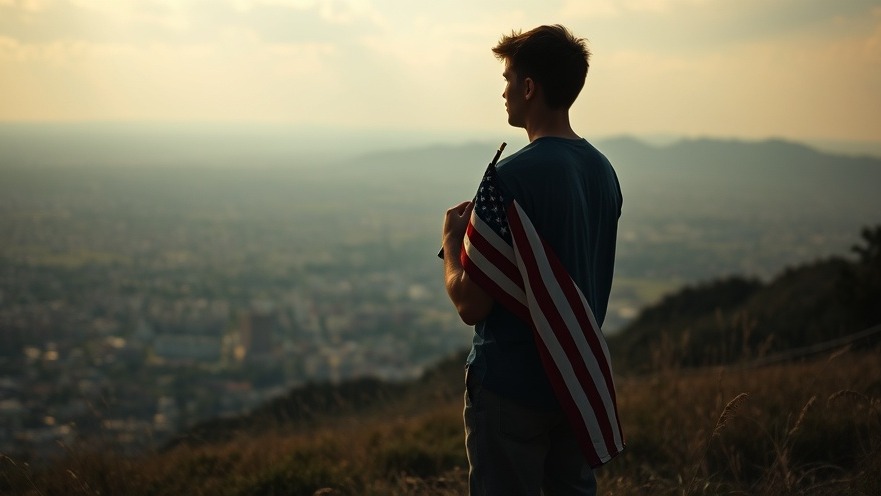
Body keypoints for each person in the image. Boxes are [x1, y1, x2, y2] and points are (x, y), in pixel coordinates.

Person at [441, 24, 624, 495]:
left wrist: (450, 242)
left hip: (509, 387)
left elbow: (471, 306)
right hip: (573, 381)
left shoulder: (508, 179)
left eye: (507, 79)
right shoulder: (604, 172)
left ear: (529, 87)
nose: (502, 92)